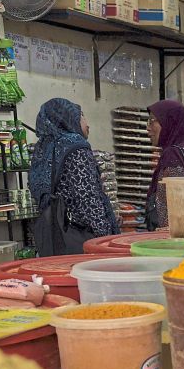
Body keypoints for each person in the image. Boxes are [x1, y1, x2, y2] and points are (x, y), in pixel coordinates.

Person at [29, 98, 118, 255]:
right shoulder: (75, 146)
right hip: (81, 238)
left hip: (54, 235)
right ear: (69, 118)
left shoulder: (43, 148)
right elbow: (87, 198)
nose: (87, 123)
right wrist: (106, 239)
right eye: (82, 115)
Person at [145, 99, 184, 230]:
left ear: (170, 122)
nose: (148, 128)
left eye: (152, 121)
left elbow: (173, 204)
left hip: (173, 239)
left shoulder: (173, 155)